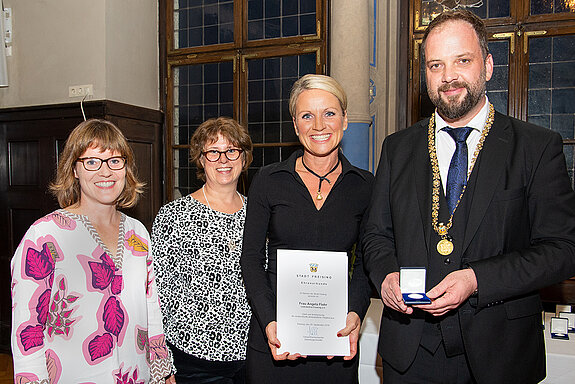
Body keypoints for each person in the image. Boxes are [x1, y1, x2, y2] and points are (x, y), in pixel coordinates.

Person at [362, 9, 575, 384]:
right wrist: (386, 276)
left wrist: (477, 279)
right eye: (435, 65)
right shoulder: (397, 148)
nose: (449, 78)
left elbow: (562, 249)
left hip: (500, 354)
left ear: (488, 65)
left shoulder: (536, 147)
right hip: (410, 355)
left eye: (462, 60)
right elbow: (376, 236)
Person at [11, 119, 173, 383]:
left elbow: (150, 307)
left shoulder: (138, 233)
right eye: (92, 162)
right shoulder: (45, 235)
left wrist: (162, 370)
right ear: (74, 169)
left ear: (126, 168)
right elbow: (27, 327)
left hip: (137, 374)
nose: (105, 172)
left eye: (114, 161)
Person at [240, 74, 374, 383]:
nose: (318, 125)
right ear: (295, 125)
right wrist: (270, 321)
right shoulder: (269, 180)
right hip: (275, 341)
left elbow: (367, 262)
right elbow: (250, 260)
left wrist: (355, 311)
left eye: (329, 113)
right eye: (306, 116)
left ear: (344, 119)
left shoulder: (365, 186)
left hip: (336, 344)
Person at [152, 117, 253, 384]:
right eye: (213, 152)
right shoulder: (174, 215)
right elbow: (158, 293)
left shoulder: (259, 213)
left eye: (232, 151)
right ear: (201, 158)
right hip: (194, 360)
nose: (224, 159)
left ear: (243, 158)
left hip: (252, 356)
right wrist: (164, 363)